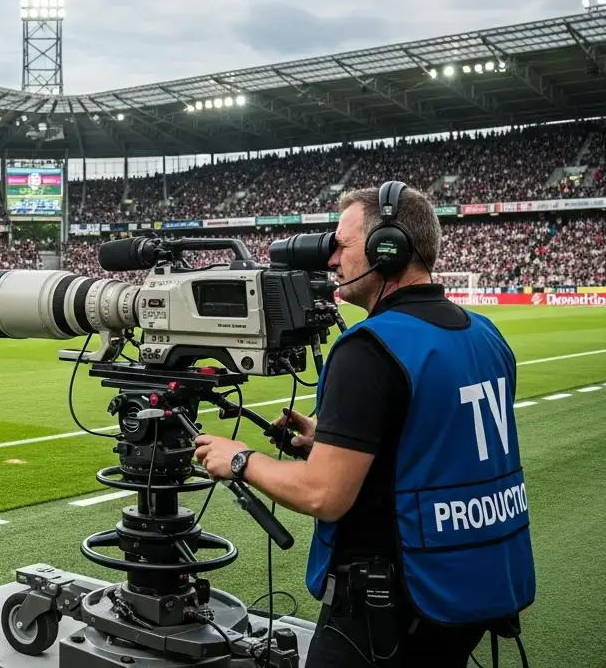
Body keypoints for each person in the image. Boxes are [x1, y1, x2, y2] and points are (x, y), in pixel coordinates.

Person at [194, 182, 535, 667]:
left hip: (389, 607)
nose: (331, 259)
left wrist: (241, 459)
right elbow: (432, 442)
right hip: (464, 591)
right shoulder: (486, 332)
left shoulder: (369, 347)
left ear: (386, 249)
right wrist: (329, 440)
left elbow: (324, 495)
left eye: (342, 244)